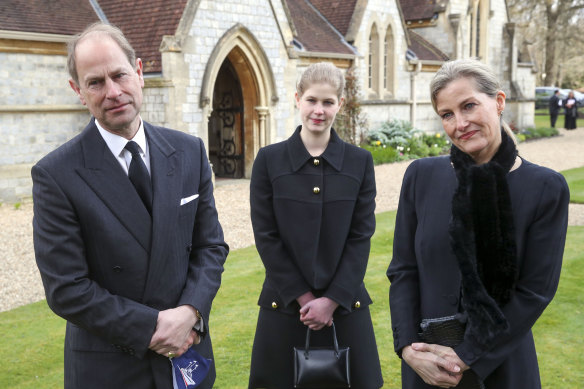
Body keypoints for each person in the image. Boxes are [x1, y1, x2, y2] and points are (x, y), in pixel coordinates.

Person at [31, 22, 228, 389]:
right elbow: (67, 289)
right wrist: (154, 328)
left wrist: (190, 313)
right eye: (95, 82)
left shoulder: (188, 151)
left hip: (188, 356)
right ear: (78, 91)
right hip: (111, 368)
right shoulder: (56, 174)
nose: (113, 92)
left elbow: (210, 246)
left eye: (120, 75)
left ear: (138, 72)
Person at [387, 58, 569, 388]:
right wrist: (408, 349)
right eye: (447, 114)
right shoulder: (421, 176)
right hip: (425, 367)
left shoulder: (545, 187)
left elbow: (535, 291)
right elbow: (403, 270)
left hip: (500, 366)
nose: (460, 123)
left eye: (469, 106)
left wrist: (467, 355)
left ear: (498, 102)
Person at [248, 62, 383, 389]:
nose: (318, 110)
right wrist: (306, 299)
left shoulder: (360, 162)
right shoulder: (268, 160)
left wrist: (332, 300)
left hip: (345, 310)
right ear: (297, 99)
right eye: (311, 100)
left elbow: (360, 237)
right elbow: (266, 238)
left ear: (340, 104)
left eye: (328, 102)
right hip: (285, 310)